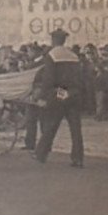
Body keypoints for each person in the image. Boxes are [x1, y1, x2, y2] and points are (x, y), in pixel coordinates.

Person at [34, 28, 85, 168]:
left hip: (59, 93)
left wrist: (43, 96)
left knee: (51, 124)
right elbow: (81, 78)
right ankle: (78, 158)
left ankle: (41, 153)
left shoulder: (52, 55)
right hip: (74, 93)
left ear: (53, 40)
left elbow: (48, 79)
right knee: (75, 128)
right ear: (64, 40)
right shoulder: (73, 55)